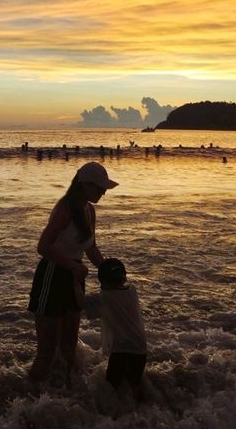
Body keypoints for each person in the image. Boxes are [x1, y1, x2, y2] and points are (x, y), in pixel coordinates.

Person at [27, 161, 118, 383]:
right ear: (84, 185)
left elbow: (91, 248)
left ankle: (66, 394)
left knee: (69, 346)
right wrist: (73, 266)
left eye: (104, 189)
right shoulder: (65, 209)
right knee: (47, 350)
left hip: (74, 278)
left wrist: (108, 270)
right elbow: (43, 246)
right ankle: (29, 397)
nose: (103, 193)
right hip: (52, 275)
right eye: (99, 188)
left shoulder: (89, 210)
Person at [83, 258, 147, 396]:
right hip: (141, 349)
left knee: (112, 388)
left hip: (121, 351)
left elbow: (79, 302)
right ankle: (140, 411)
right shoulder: (132, 291)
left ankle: (115, 414)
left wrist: (76, 280)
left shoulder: (104, 297)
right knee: (134, 385)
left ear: (103, 282)